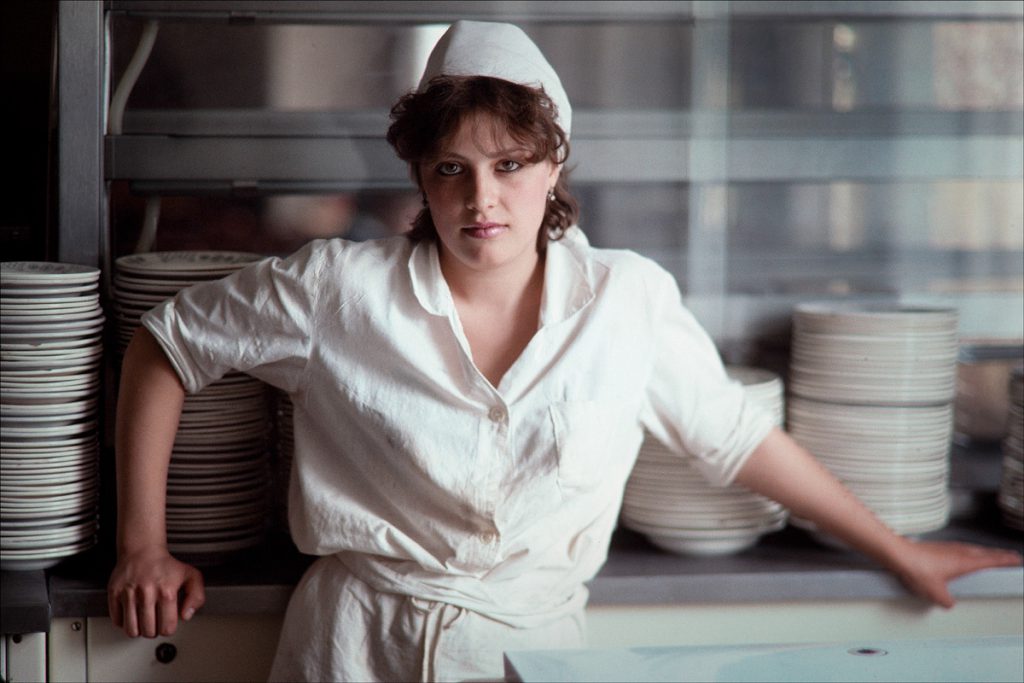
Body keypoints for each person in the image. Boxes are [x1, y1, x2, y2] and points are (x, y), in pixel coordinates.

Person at [107, 20, 1021, 682]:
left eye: (509, 164)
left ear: (554, 166)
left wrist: (898, 550)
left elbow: (735, 437)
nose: (482, 199)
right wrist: (144, 545)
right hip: (354, 645)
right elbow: (168, 343)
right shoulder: (339, 288)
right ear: (421, 176)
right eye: (452, 169)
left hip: (530, 649)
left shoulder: (627, 300)